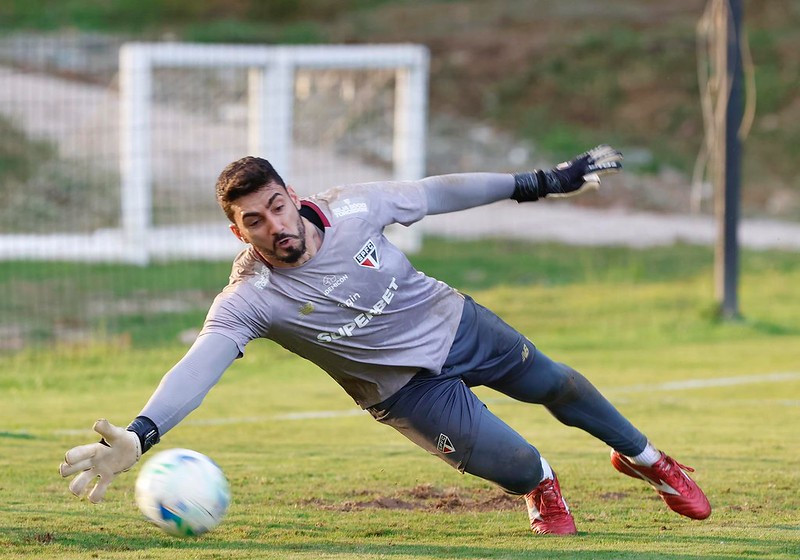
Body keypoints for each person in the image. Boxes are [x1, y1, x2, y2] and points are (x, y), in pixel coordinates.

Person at [59, 145, 711, 534]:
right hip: (402, 393)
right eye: (253, 221)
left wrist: (537, 184)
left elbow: (438, 192)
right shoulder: (249, 299)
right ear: (240, 233)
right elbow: (198, 365)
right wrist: (141, 434)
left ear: (291, 196)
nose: (273, 226)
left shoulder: (355, 208)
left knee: (557, 384)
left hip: (452, 325)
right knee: (518, 464)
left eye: (277, 207)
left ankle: (648, 460)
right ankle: (542, 487)